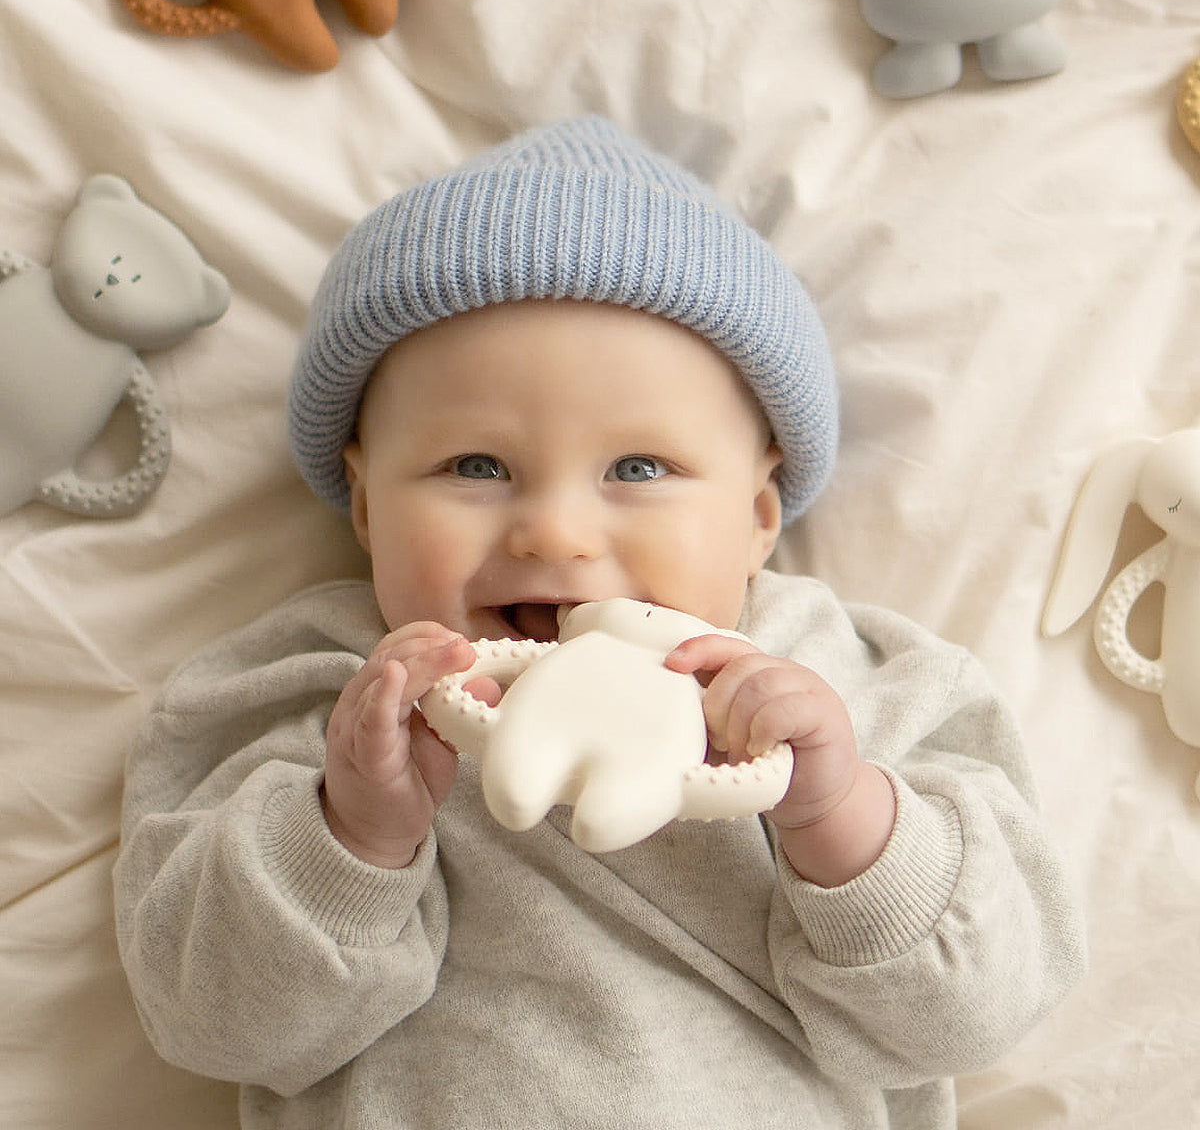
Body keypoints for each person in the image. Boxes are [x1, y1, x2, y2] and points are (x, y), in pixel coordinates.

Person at [114, 116, 1084, 1129]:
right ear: (364, 505)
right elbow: (209, 1025)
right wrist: (351, 835)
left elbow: (981, 1013)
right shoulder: (313, 693)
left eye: (639, 468)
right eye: (476, 466)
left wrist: (839, 816)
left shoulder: (861, 682)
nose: (558, 532)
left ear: (759, 514)